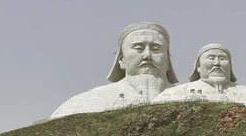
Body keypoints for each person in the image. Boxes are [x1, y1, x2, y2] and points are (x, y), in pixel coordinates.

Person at [50, 23, 178, 118]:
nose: (147, 55)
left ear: (167, 61)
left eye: (156, 49)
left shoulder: (185, 95)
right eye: (139, 48)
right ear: (121, 59)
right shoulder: (78, 105)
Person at [152, 44, 246, 106]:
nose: (217, 63)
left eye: (222, 59)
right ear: (198, 67)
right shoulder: (172, 95)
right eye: (211, 58)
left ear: (230, 66)